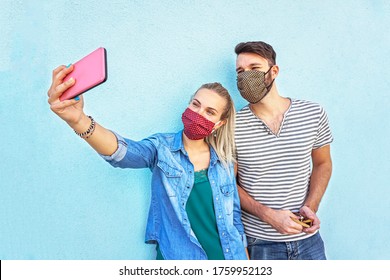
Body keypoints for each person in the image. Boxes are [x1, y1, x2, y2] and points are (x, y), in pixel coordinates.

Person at [47, 64, 247, 260]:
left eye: (210, 112)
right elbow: (122, 152)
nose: (198, 114)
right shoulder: (161, 148)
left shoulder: (225, 162)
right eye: (196, 104)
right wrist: (78, 120)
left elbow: (234, 221)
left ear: (218, 125)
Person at [233, 41, 333, 260]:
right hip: (261, 246)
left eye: (254, 69)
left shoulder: (313, 113)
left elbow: (323, 163)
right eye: (240, 71)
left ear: (274, 71)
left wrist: (311, 206)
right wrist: (268, 215)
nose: (245, 76)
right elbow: (228, 184)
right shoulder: (232, 125)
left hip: (308, 240)